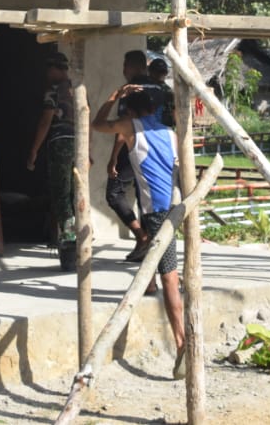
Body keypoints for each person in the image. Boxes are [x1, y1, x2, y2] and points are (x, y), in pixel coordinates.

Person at [92, 86, 186, 379]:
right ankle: (149, 284)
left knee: (169, 276)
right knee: (158, 263)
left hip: (157, 212)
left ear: (130, 111)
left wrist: (110, 96)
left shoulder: (131, 127)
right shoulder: (170, 132)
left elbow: (96, 125)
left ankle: (182, 343)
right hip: (174, 204)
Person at [104, 50, 165, 262]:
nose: (123, 71)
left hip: (134, 147)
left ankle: (142, 237)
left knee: (114, 192)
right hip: (159, 148)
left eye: (125, 66)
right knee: (145, 199)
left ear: (132, 67)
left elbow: (123, 127)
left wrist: (113, 158)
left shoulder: (130, 90)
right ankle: (149, 249)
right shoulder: (160, 88)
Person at [26, 52, 78, 271]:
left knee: (61, 196)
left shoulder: (53, 91)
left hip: (60, 144)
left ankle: (69, 244)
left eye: (49, 69)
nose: (47, 74)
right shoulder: (78, 89)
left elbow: (45, 122)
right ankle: (79, 238)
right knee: (75, 195)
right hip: (79, 145)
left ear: (56, 69)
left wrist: (33, 152)